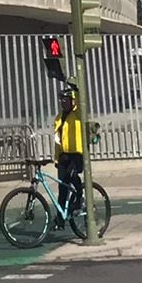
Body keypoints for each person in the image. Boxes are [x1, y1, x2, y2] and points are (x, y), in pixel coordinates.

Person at [53, 86, 87, 220]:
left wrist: (76, 87)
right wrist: (56, 158)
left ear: (72, 101)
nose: (63, 102)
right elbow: (57, 140)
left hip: (76, 155)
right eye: (61, 100)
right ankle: (60, 218)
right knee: (62, 188)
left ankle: (79, 198)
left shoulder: (78, 114)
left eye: (66, 100)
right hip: (63, 156)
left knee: (71, 175)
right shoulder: (58, 118)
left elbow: (81, 99)